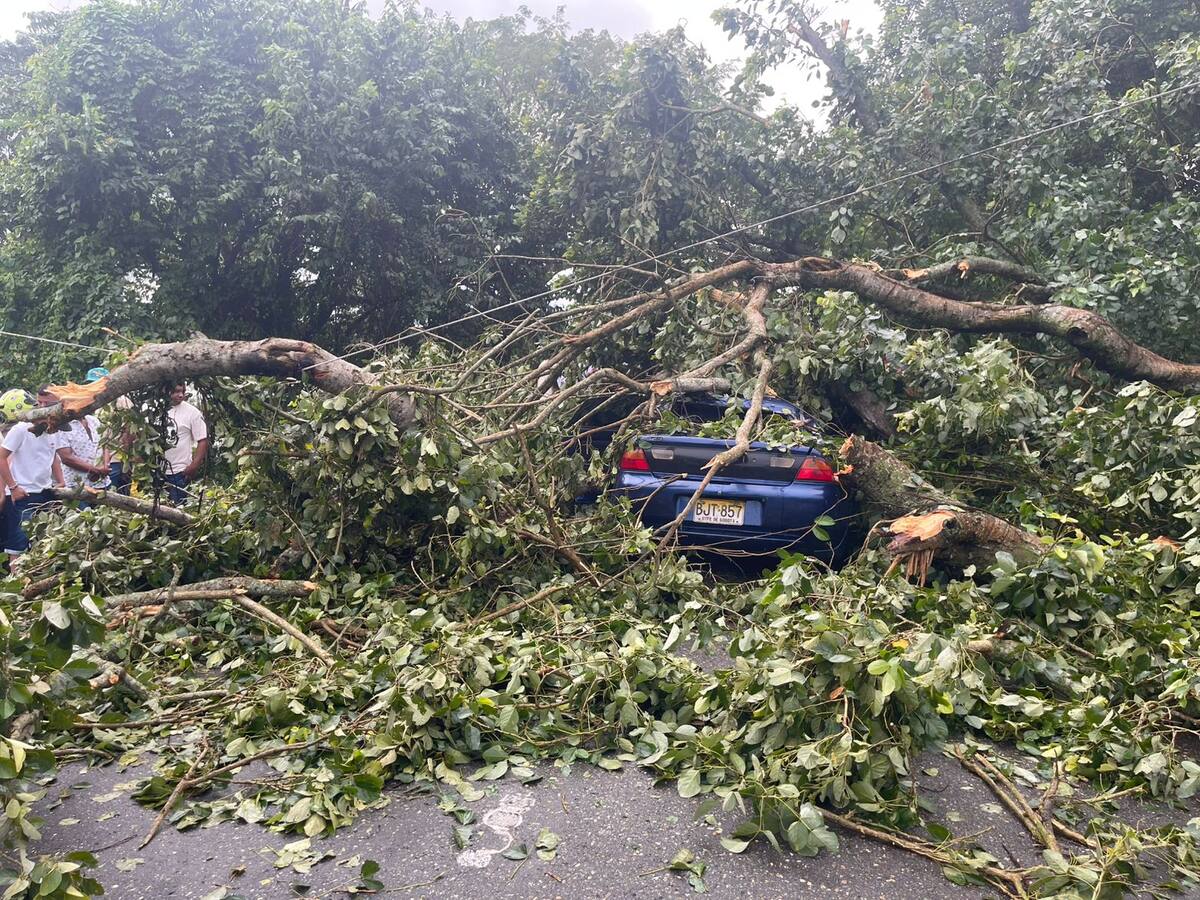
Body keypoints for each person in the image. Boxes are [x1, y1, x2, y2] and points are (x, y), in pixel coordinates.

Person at [0, 386, 64, 555]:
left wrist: (60, 481)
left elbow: (54, 457)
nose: (42, 406)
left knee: (44, 541)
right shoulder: (20, 429)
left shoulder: (53, 429)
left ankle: (35, 578)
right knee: (18, 545)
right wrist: (13, 488)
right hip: (24, 494)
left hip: (46, 492)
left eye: (48, 403)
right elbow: (2, 458)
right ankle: (15, 580)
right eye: (39, 402)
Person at [86, 367, 134, 495]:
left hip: (116, 460)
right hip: (96, 462)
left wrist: (126, 461)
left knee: (117, 498)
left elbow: (129, 432)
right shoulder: (92, 404)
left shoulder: (121, 401)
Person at [163, 382, 207, 505]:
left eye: (182, 391)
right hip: (158, 471)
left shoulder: (192, 413)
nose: (181, 395)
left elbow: (202, 440)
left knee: (178, 508)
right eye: (176, 391)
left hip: (179, 471)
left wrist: (194, 466)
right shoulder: (157, 410)